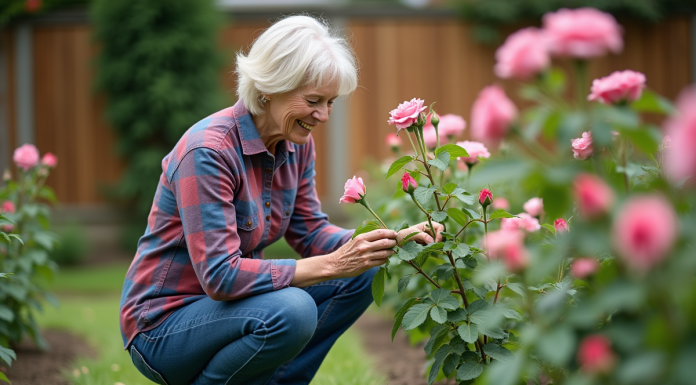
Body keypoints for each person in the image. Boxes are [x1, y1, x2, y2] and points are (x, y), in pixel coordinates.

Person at [119, 15, 442, 385]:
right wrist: (332, 265)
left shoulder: (296, 141)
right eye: (313, 101)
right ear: (271, 86)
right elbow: (220, 276)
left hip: (231, 309)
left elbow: (309, 231)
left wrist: (388, 239)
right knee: (292, 310)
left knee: (365, 271)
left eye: (331, 102)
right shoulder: (208, 151)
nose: (323, 115)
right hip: (163, 326)